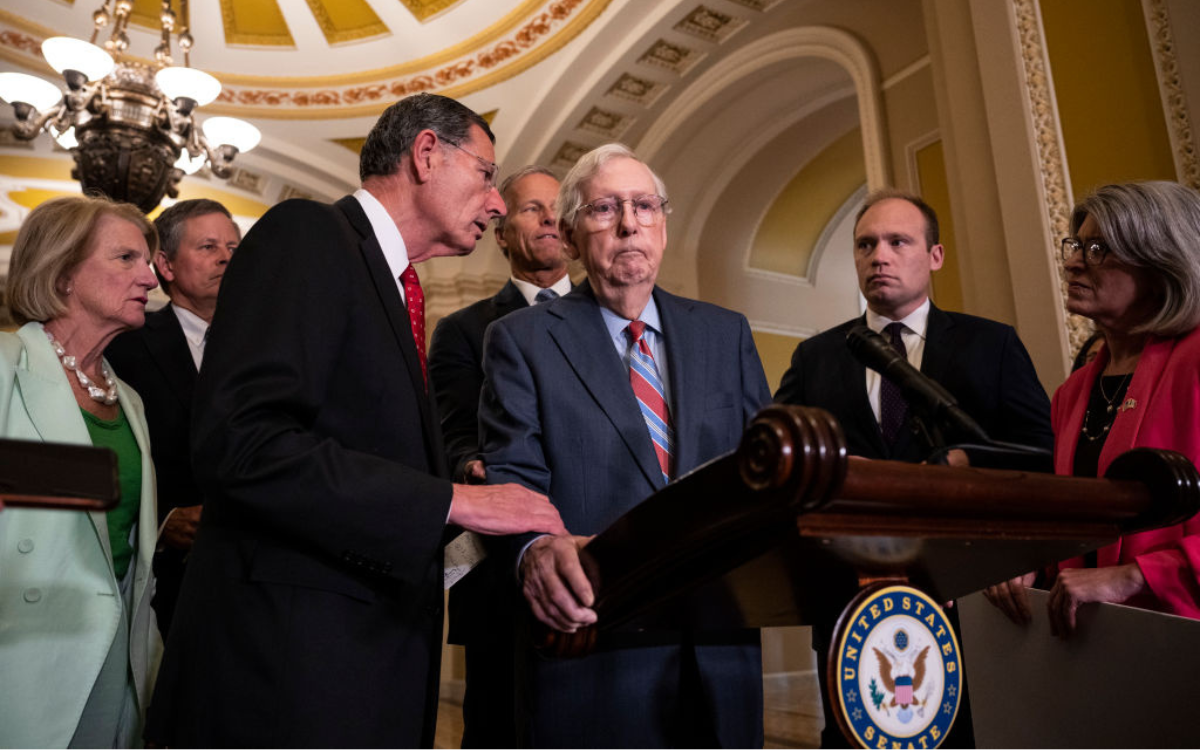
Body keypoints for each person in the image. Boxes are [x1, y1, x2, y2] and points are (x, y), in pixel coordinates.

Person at [144, 93, 565, 747]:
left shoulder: (393, 286)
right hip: (286, 680)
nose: (498, 203)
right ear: (427, 153)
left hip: (356, 668)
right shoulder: (309, 235)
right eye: (486, 174)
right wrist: (455, 499)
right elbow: (243, 445)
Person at [479, 143, 770, 747]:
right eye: (605, 208)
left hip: (719, 646)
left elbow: (761, 477)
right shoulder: (520, 341)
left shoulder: (725, 333)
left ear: (663, 224)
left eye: (644, 206)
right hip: (592, 645)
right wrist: (536, 553)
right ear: (568, 233)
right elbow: (514, 482)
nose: (629, 223)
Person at [774, 188, 1054, 748]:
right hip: (850, 602)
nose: (879, 255)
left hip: (968, 595)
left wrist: (962, 461)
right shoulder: (817, 357)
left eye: (898, 241)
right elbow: (782, 464)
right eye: (866, 244)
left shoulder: (990, 344)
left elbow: (1038, 455)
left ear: (935, 256)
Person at [985, 181, 1200, 635]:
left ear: (1162, 263)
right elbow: (1073, 528)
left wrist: (1136, 575)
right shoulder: (1073, 391)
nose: (1073, 263)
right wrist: (1028, 564)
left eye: (1099, 248)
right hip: (1098, 646)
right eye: (1077, 246)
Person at [0, 195, 161, 747]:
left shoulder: (131, 401)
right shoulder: (4, 367)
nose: (150, 278)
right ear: (64, 272)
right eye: (126, 259)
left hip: (117, 646)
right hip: (20, 652)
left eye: (148, 261)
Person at [428, 165, 570, 748]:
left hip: (601, 548)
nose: (549, 219)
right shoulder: (464, 330)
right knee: (499, 721)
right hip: (502, 562)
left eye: (558, 208)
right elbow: (452, 434)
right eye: (531, 209)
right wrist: (474, 468)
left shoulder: (614, 316)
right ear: (502, 232)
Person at [105, 198, 239, 636]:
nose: (226, 256)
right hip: (164, 582)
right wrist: (161, 523)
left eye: (234, 247)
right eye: (208, 246)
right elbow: (106, 460)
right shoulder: (123, 347)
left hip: (256, 578)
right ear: (165, 264)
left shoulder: (276, 349)